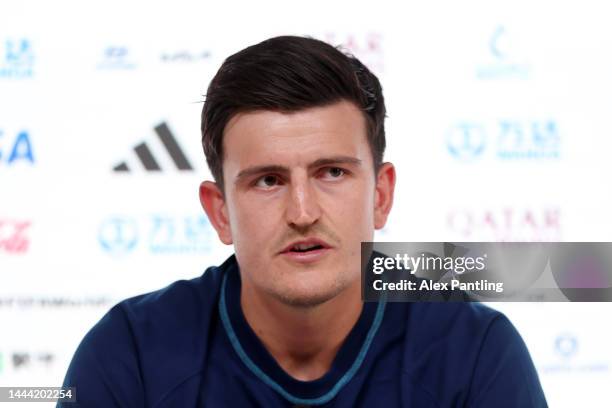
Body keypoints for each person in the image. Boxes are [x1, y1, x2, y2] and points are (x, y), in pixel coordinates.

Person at [59, 35, 547, 407]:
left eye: (331, 172)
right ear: (220, 211)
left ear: (381, 194)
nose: (302, 212)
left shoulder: (475, 352)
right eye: (268, 181)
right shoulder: (131, 354)